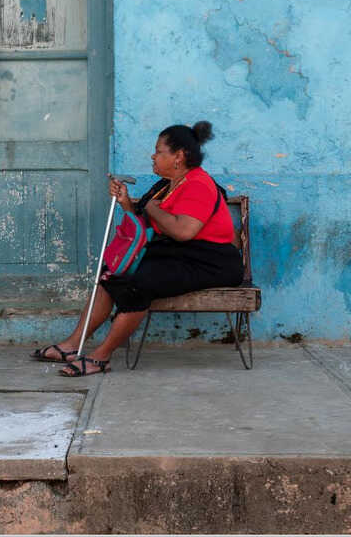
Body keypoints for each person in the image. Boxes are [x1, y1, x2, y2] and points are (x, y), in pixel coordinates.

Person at [31, 121, 245, 376]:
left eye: (158, 151)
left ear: (179, 156)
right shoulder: (166, 186)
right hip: (183, 255)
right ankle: (71, 345)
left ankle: (101, 357)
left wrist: (152, 208)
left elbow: (183, 231)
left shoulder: (198, 184)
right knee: (112, 271)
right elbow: (147, 228)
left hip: (212, 262)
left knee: (139, 282)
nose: (153, 157)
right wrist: (125, 204)